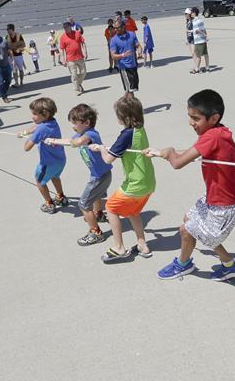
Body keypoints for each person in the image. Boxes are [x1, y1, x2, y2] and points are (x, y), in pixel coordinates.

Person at [146, 89, 235, 281]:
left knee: (187, 230)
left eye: (196, 118)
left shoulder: (212, 136)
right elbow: (193, 152)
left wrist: (169, 153)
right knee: (189, 221)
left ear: (214, 118)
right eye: (190, 117)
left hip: (225, 205)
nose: (191, 122)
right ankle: (230, 265)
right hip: (216, 197)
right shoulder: (218, 132)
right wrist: (161, 153)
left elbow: (177, 163)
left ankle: (183, 265)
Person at [88, 95, 155, 261]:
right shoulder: (140, 129)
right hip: (148, 182)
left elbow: (108, 159)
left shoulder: (126, 135)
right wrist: (105, 148)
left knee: (111, 208)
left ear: (123, 117)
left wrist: (101, 148)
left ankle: (118, 247)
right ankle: (142, 245)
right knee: (133, 212)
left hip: (135, 184)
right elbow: (125, 148)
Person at [47, 104, 113, 246]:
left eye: (74, 123)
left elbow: (78, 142)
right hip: (99, 174)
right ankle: (98, 214)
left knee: (83, 203)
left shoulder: (91, 134)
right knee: (96, 197)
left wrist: (74, 142)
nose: (72, 126)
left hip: (100, 177)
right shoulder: (81, 134)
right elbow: (69, 141)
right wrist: (54, 141)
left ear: (87, 123)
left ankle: (95, 232)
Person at [19, 97, 69, 213]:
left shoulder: (41, 130)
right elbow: (37, 126)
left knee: (39, 181)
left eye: (35, 114)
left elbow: (26, 148)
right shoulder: (52, 122)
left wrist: (32, 137)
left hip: (47, 163)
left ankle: (49, 203)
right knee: (55, 177)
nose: (32, 116)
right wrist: (25, 132)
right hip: (60, 160)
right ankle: (61, 197)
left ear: (45, 114)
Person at [109, 19, 140, 95]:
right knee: (130, 91)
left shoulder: (132, 34)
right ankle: (131, 106)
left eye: (117, 27)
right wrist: (122, 55)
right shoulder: (113, 40)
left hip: (134, 66)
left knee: (132, 89)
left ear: (123, 27)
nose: (115, 29)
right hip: (124, 67)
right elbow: (113, 56)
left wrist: (140, 52)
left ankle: (124, 104)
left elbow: (138, 45)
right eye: (114, 28)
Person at [58, 21, 88, 95]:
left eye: (66, 27)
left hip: (80, 57)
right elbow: (61, 49)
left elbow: (83, 43)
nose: (65, 29)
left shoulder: (77, 33)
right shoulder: (62, 37)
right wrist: (62, 59)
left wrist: (85, 52)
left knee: (83, 73)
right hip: (70, 59)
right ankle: (77, 90)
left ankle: (78, 84)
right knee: (74, 75)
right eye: (64, 28)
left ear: (70, 27)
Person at [6, 23, 27, 88]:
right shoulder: (7, 37)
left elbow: (23, 45)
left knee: (20, 69)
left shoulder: (19, 35)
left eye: (8, 29)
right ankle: (16, 83)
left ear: (12, 29)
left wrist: (19, 49)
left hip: (19, 55)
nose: (7, 31)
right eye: (7, 29)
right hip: (11, 56)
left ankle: (21, 82)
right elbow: (6, 47)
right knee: (14, 70)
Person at [190, 7, 210, 73]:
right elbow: (204, 29)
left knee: (198, 56)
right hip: (203, 40)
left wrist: (203, 35)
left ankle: (196, 69)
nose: (191, 14)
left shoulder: (195, 21)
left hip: (198, 41)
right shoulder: (201, 20)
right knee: (206, 54)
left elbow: (197, 31)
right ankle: (207, 67)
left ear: (194, 13)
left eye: (192, 12)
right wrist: (206, 36)